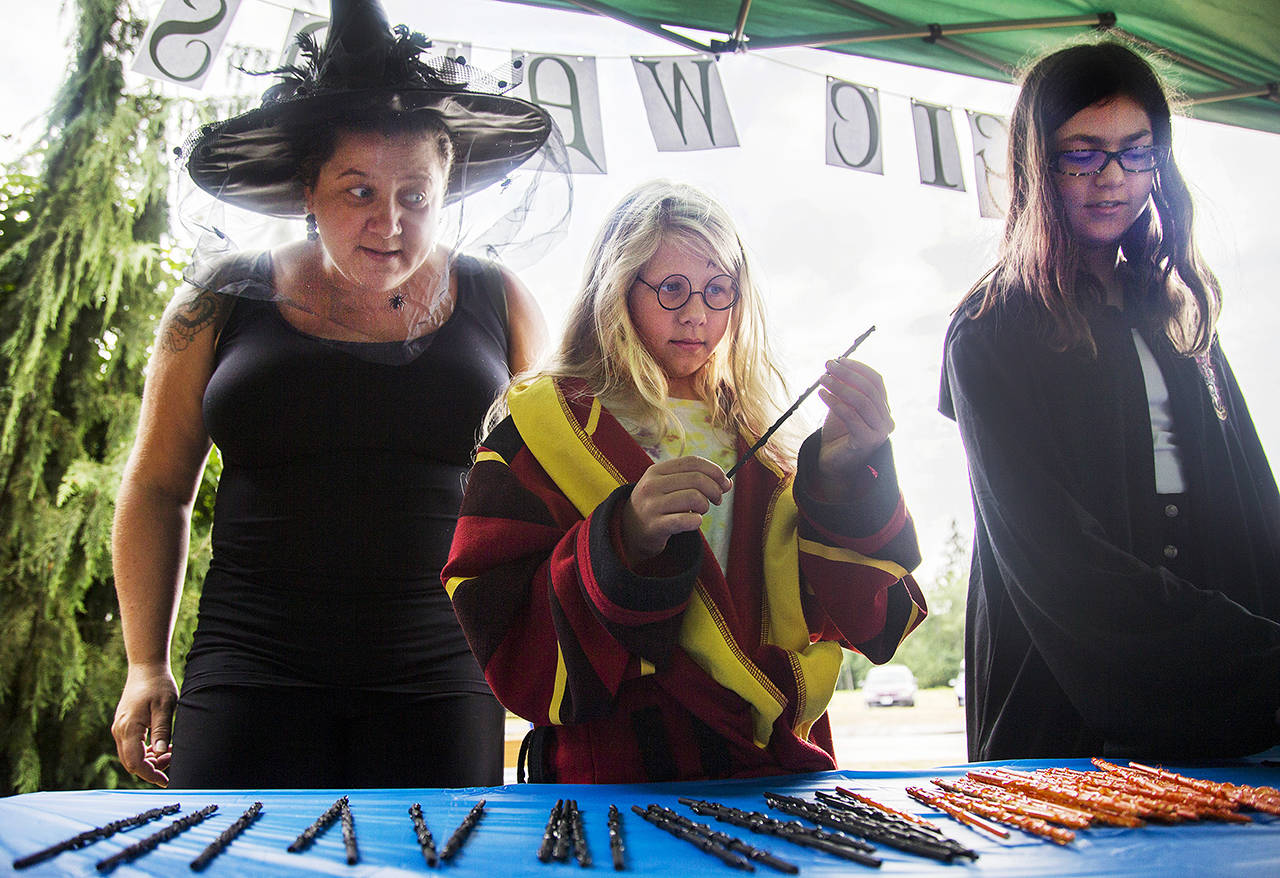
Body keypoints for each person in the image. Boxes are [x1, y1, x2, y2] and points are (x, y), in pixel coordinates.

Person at [110, 0, 565, 789]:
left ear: (445, 190)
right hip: (250, 667)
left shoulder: (503, 300)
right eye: (358, 191)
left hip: (443, 671)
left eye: (415, 196)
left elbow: (556, 493)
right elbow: (155, 489)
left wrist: (546, 664)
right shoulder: (216, 302)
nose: (389, 222)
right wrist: (144, 665)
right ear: (307, 191)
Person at [444, 180, 927, 783]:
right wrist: (624, 538)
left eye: (718, 290)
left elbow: (860, 617)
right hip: (617, 770)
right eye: (672, 289)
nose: (698, 314)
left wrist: (844, 473)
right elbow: (499, 620)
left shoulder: (771, 444)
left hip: (771, 768)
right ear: (616, 290)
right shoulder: (542, 431)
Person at [940, 40, 1280, 762]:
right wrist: (1254, 657)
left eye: (1137, 152)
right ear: (1038, 162)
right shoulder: (991, 330)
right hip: (1064, 706)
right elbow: (1053, 555)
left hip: (1220, 712)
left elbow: (1252, 508)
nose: (1114, 178)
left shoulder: (1173, 309)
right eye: (1084, 154)